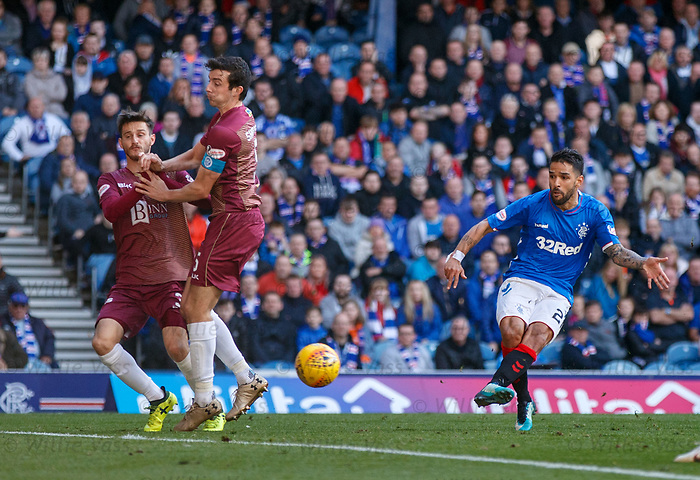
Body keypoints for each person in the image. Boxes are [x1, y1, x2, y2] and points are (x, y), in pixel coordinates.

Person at [444, 148, 669, 432]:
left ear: (579, 181)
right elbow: (484, 226)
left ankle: (498, 385)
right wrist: (456, 255)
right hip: (522, 278)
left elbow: (614, 250)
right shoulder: (533, 203)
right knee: (513, 331)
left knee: (537, 335)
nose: (556, 183)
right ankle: (522, 398)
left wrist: (641, 262)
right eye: (552, 176)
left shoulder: (595, 211)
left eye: (564, 177)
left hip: (559, 290)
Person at [93, 109, 257, 433]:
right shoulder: (110, 180)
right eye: (128, 135)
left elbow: (207, 200)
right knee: (102, 342)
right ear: (120, 142)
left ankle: (208, 404)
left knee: (178, 346)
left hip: (171, 276)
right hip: (129, 282)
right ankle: (158, 398)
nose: (134, 140)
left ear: (152, 139)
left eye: (141, 134)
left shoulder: (176, 176)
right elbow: (111, 211)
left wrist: (162, 179)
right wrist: (141, 185)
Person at [136, 56, 267, 431]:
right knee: (198, 307)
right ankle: (246, 380)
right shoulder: (234, 118)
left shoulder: (227, 130)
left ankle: (205, 401)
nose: (207, 88)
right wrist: (165, 166)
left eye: (216, 82)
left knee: (193, 310)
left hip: (233, 222)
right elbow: (196, 157)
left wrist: (162, 193)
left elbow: (199, 188)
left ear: (236, 89)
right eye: (208, 80)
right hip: (235, 220)